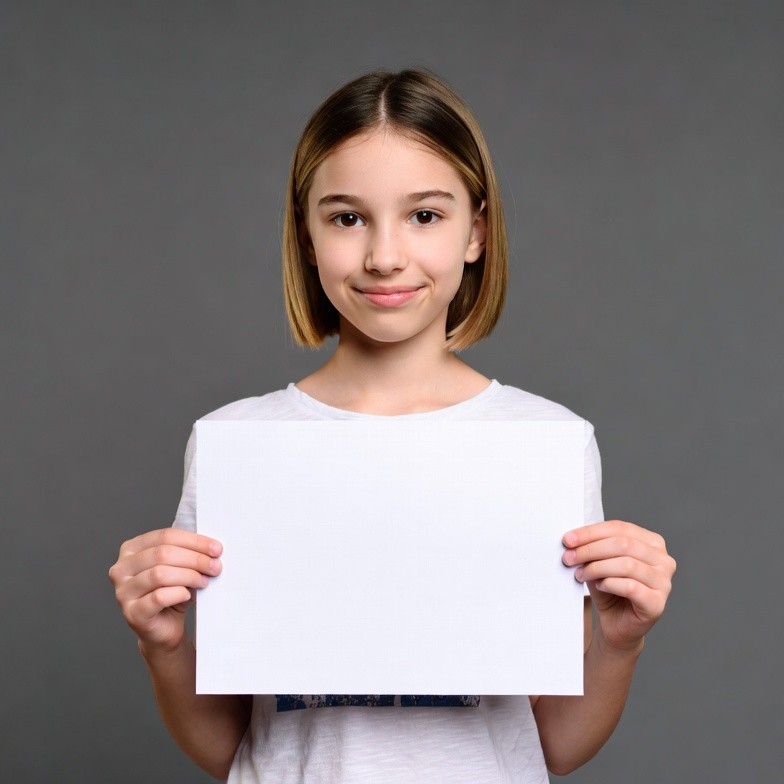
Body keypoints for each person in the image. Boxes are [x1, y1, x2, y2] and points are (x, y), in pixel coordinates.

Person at [109, 69, 676, 783]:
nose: (384, 255)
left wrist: (618, 643)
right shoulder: (239, 446)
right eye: (347, 217)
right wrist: (162, 645)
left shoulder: (542, 444)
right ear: (306, 237)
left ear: (477, 231)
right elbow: (231, 747)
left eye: (425, 216)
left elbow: (553, 745)